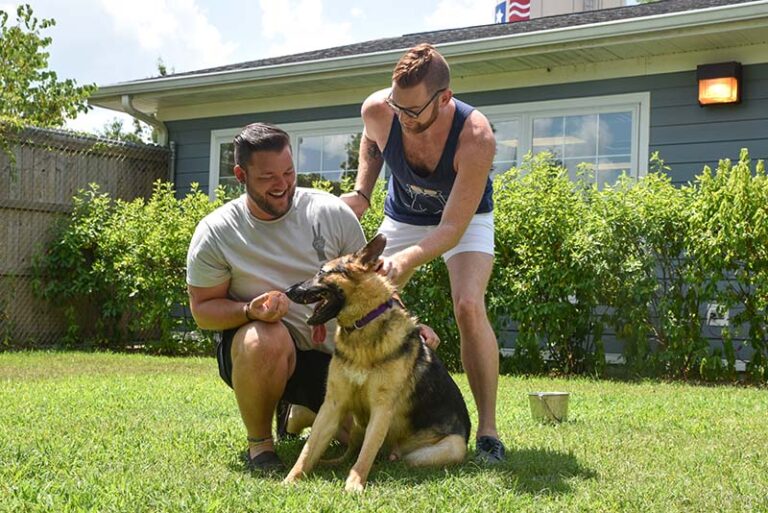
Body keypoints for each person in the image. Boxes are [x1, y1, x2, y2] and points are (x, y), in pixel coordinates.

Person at [341, 43, 505, 464]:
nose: (403, 119)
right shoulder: (380, 110)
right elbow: (373, 142)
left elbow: (451, 228)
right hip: (403, 216)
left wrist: (408, 259)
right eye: (399, 108)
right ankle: (344, 419)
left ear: (445, 98)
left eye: (413, 111)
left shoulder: (475, 136)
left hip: (464, 219)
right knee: (358, 299)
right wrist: (363, 192)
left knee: (469, 306)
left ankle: (487, 431)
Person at [185, 122, 368, 472]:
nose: (282, 185)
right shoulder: (218, 231)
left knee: (371, 441)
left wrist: (412, 326)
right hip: (265, 352)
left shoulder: (331, 213)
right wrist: (249, 310)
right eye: (268, 177)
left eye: (288, 172)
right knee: (263, 339)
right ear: (241, 174)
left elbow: (369, 286)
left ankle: (300, 413)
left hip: (336, 359)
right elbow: (203, 311)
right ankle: (261, 446)